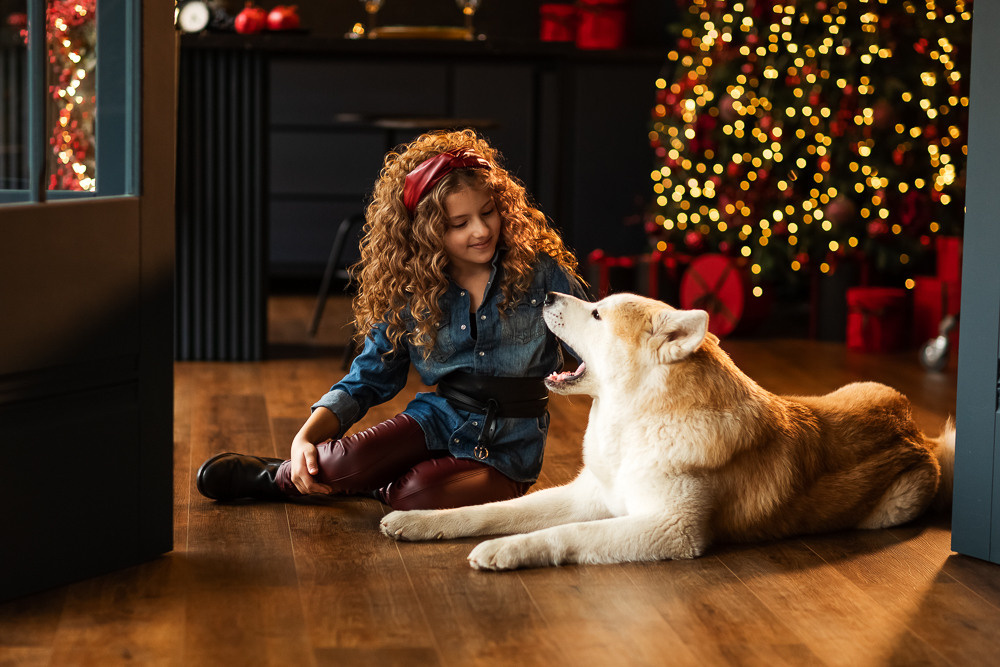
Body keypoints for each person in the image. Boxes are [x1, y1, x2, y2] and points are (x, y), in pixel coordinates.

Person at [196, 129, 588, 511]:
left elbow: (599, 341)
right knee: (333, 463)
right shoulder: (413, 288)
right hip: (438, 418)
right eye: (459, 223)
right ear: (428, 230)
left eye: (488, 213)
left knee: (411, 495)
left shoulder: (540, 272)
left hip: (508, 448)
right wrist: (304, 438)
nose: (481, 230)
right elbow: (369, 376)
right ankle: (281, 476)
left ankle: (359, 482)